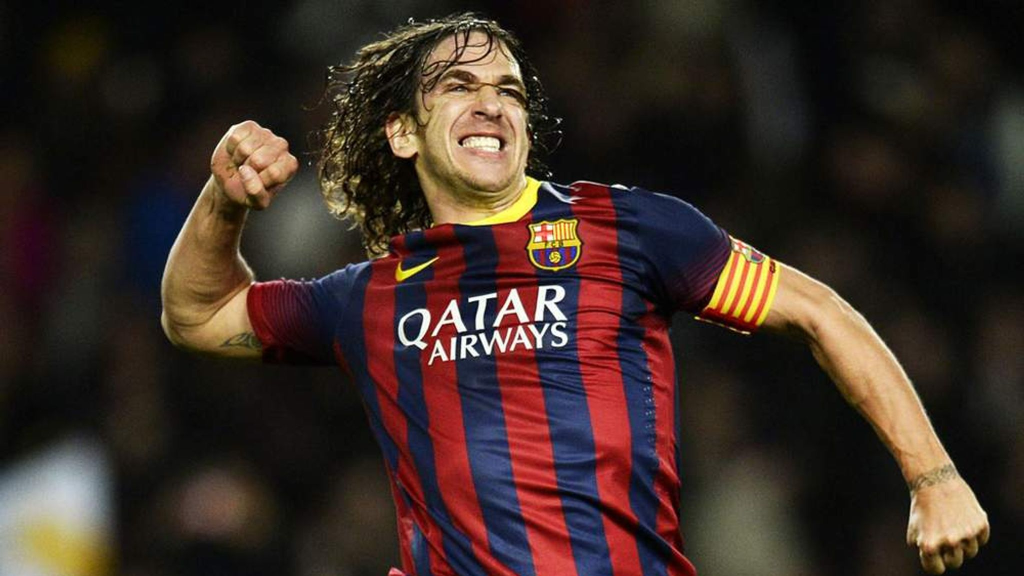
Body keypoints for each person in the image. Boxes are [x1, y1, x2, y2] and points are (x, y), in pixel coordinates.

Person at [161, 12, 989, 576]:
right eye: (459, 85)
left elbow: (817, 312)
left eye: (509, 91)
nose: (492, 103)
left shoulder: (632, 231)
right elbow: (197, 316)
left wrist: (935, 477)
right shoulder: (371, 297)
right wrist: (223, 202)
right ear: (403, 132)